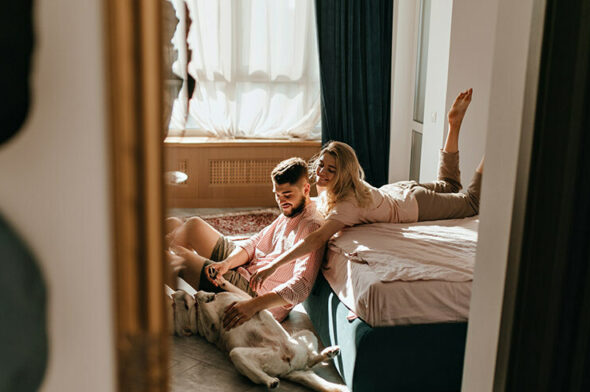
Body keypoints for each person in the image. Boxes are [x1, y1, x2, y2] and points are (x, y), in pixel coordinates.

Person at [250, 88, 483, 291]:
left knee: (473, 203)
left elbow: (318, 238)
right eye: (321, 164)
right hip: (400, 191)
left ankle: (496, 145)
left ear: (342, 174)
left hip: (414, 205)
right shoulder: (334, 187)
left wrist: (273, 266)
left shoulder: (347, 204)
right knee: (451, 186)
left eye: (331, 169)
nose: (321, 172)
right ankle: (454, 125)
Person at [167, 157, 323, 329]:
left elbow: (302, 285)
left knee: (178, 258)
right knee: (192, 225)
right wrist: (226, 264)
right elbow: (255, 242)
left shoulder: (312, 226)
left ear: (306, 189)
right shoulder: (292, 208)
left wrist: (253, 305)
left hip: (253, 295)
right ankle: (193, 296)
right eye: (277, 195)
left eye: (287, 195)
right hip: (248, 267)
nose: (281, 201)